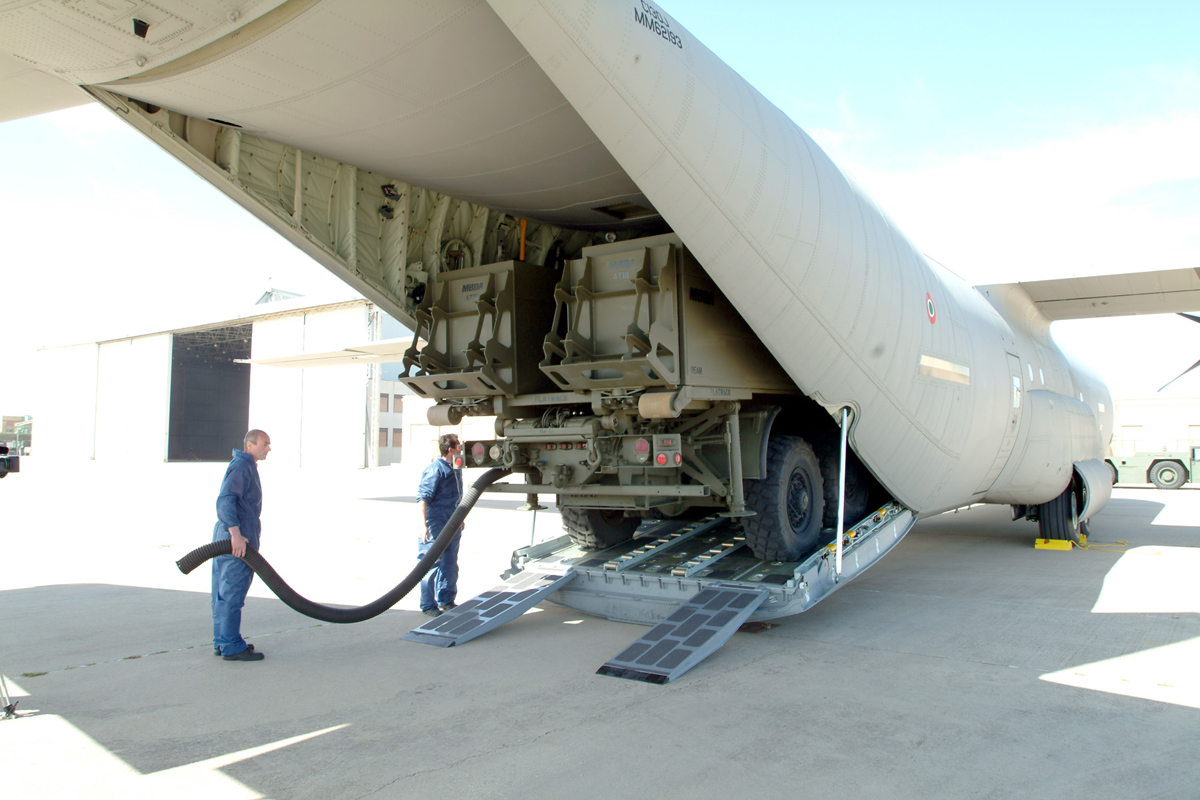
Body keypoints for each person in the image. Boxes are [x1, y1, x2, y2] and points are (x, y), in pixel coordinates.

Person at [212, 429, 271, 661]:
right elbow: (226, 500)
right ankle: (231, 646)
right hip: (236, 540)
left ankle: (223, 640)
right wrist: (235, 533)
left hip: (229, 538)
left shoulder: (246, 466)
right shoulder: (241, 467)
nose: (268, 448)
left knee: (223, 593)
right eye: (264, 444)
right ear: (249, 445)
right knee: (232, 593)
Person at [415, 433, 465, 617]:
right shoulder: (435, 470)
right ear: (450, 449)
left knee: (450, 563)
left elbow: (457, 497)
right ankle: (428, 605)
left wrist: (460, 518)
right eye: (458, 446)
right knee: (430, 564)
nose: (461, 449)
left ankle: (446, 600)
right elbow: (423, 499)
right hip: (436, 523)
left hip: (453, 522)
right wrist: (423, 526)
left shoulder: (456, 468)